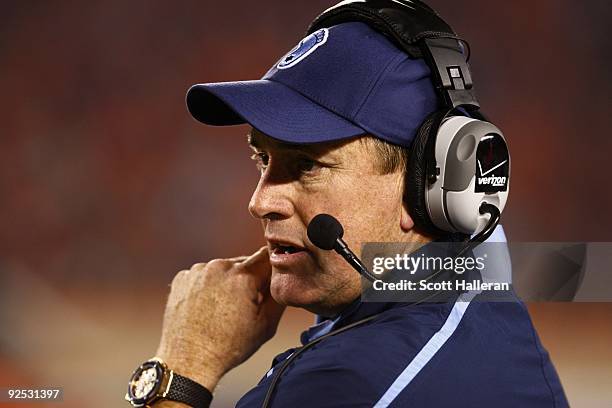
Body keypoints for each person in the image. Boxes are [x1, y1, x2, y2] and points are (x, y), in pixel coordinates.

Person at [125, 3, 568, 408]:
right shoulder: (475, 307)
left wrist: (183, 370)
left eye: (308, 166)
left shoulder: (347, 382)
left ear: (427, 188)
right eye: (262, 158)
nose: (260, 202)